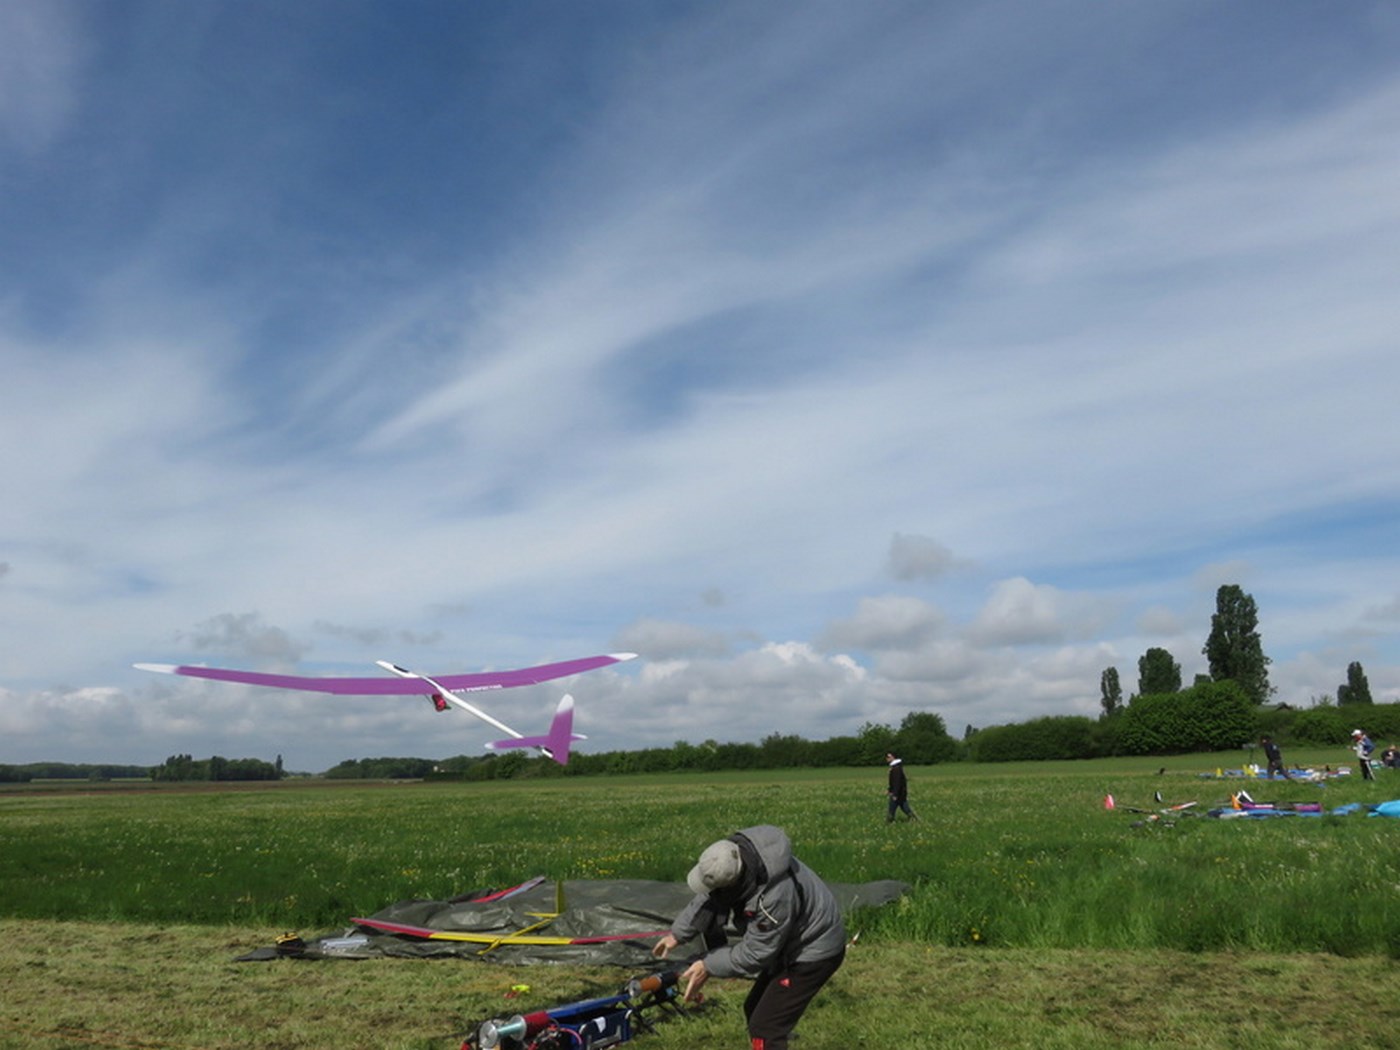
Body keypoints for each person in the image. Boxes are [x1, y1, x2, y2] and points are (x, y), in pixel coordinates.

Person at [653, 825, 846, 1050]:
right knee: (754, 1008)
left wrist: (707, 965)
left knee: (765, 1027)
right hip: (788, 945)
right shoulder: (740, 856)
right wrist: (677, 935)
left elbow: (756, 954)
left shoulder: (772, 899)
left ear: (735, 882)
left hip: (814, 953)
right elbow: (710, 895)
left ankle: (773, 1039)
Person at [885, 752, 918, 822]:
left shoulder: (896, 769)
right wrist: (889, 790)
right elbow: (894, 782)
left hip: (897, 794)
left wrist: (895, 794)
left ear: (893, 757)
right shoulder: (896, 767)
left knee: (891, 810)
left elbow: (897, 783)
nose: (886, 758)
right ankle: (914, 819)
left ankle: (889, 823)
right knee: (905, 808)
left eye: (888, 757)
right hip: (900, 793)